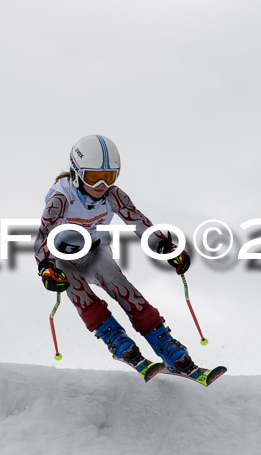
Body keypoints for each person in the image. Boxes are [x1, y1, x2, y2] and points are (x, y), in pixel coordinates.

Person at [34, 134, 196, 375]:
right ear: (77, 173)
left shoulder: (113, 196)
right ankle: (117, 339)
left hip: (95, 252)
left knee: (117, 281)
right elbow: (43, 236)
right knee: (75, 286)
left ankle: (163, 342)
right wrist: (46, 266)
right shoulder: (61, 198)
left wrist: (163, 246)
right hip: (62, 258)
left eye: (108, 177)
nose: (101, 185)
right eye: (94, 177)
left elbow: (139, 223)